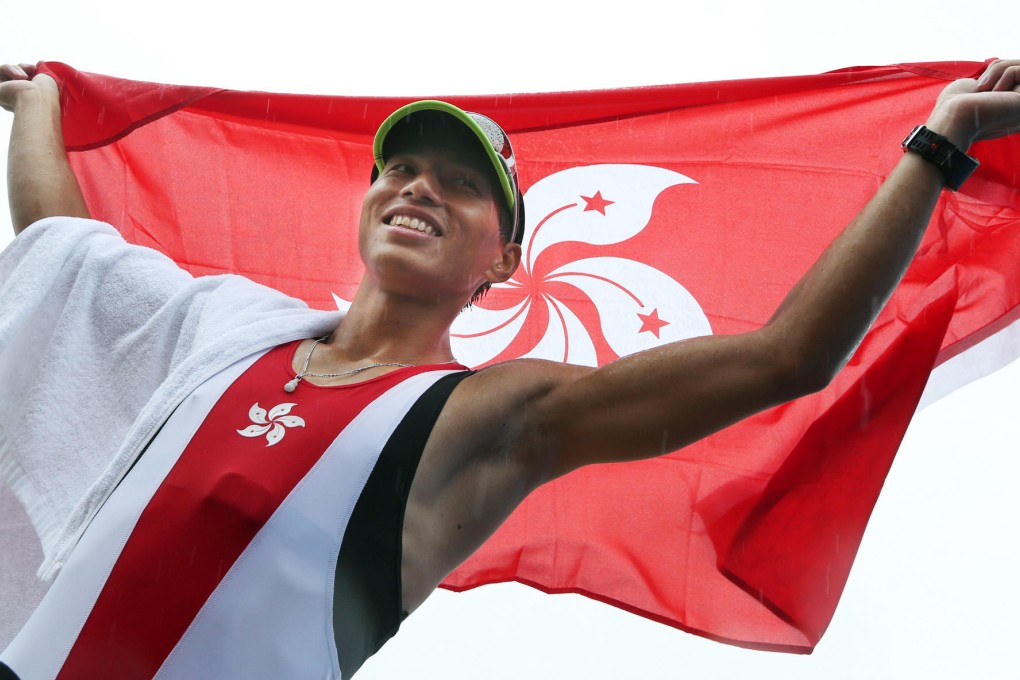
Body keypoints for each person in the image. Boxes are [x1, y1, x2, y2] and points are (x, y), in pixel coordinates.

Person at [0, 60, 1018, 679]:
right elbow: (66, 252)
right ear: (365, 207)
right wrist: (40, 104)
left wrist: (937, 145)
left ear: (503, 261)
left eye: (458, 184)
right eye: (400, 169)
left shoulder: (489, 413)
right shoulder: (230, 328)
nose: (417, 189)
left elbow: (785, 358)